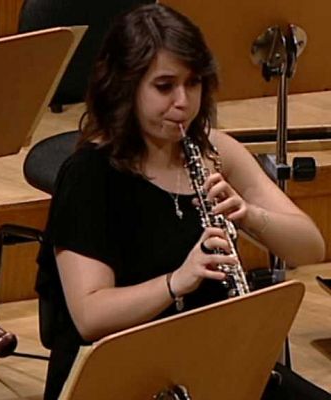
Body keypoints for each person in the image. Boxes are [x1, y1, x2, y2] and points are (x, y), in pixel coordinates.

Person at [35, 4, 327, 399]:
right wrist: (177, 282)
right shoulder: (89, 176)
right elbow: (91, 317)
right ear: (125, 87)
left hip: (208, 362)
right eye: (164, 86)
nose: (183, 102)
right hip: (122, 376)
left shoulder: (215, 151)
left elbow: (311, 246)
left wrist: (250, 215)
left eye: (193, 83)